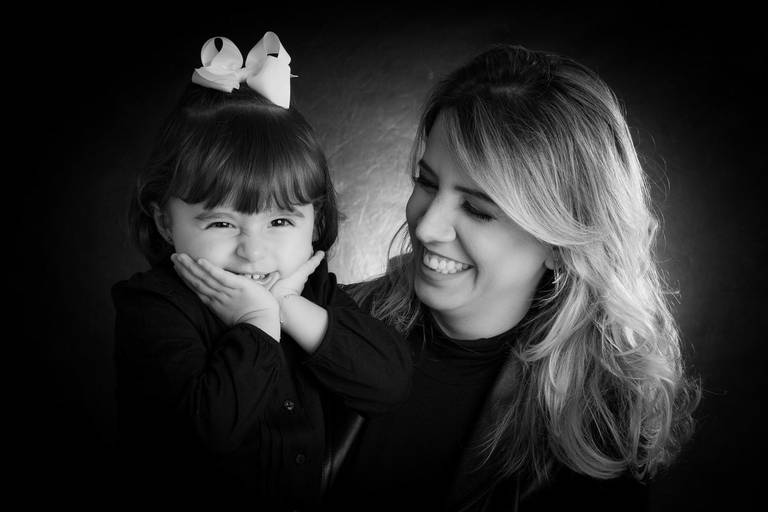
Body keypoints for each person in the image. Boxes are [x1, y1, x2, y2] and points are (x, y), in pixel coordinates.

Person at [325, 44, 700, 511]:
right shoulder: (325, 322)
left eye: (478, 209)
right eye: (426, 182)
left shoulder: (597, 422)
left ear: (562, 247)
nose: (426, 227)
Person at [111, 33, 411, 510]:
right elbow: (211, 430)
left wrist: (288, 307)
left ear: (316, 221)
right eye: (222, 222)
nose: (253, 252)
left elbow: (390, 384)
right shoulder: (154, 309)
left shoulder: (310, 292)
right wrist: (256, 322)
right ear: (166, 221)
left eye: (279, 220)